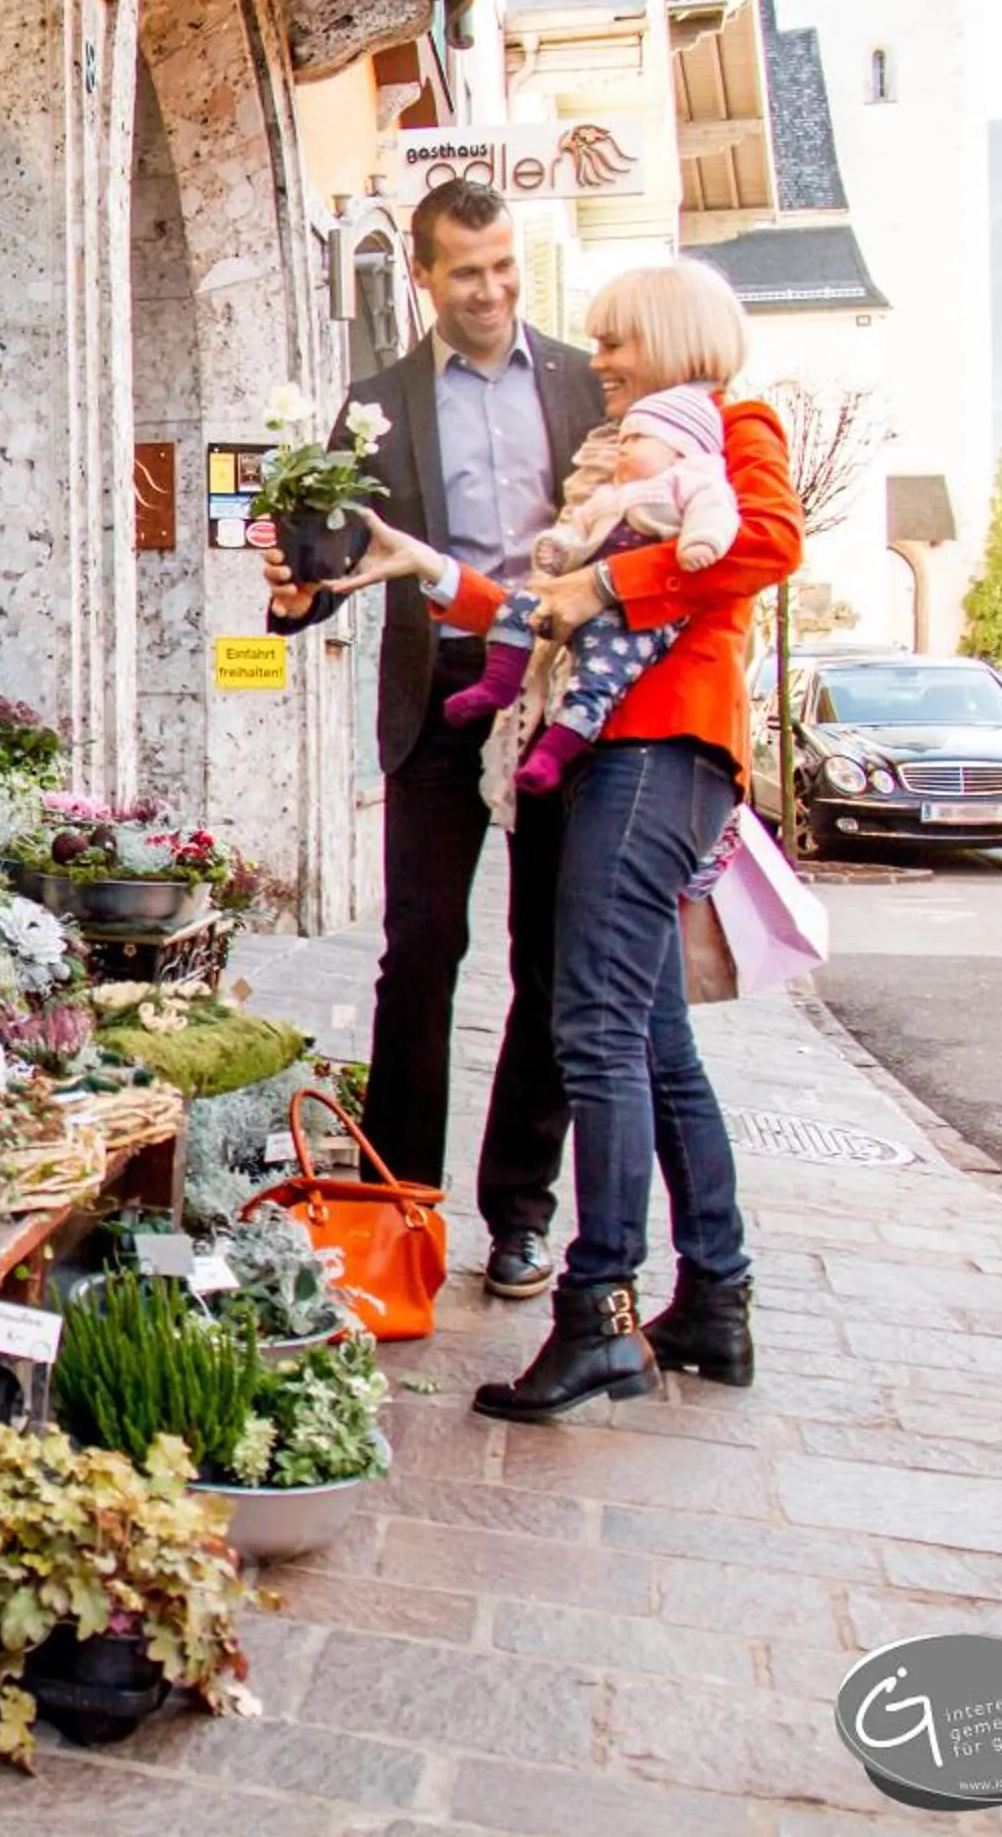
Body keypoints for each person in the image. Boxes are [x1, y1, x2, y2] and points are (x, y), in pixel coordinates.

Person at [313, 261, 802, 1420]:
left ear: (671, 335)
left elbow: (770, 541)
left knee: (591, 1026)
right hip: (622, 753)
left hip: (657, 750)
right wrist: (422, 566)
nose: (606, 360)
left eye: (620, 340)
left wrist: (612, 587)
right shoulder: (629, 464)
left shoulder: (734, 421)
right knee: (652, 1035)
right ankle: (716, 1297)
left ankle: (599, 1317)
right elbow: (540, 614)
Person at [266, 179, 608, 1300]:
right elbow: (332, 557)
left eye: (505, 265)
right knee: (420, 952)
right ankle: (402, 1203)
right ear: (423, 275)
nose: (494, 289)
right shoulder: (377, 401)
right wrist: (292, 592)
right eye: (468, 271)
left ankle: (519, 1210)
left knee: (549, 961)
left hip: (555, 689)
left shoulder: (579, 380)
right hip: (437, 696)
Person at [443, 384, 741, 794]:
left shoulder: (693, 482)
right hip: (574, 597)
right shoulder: (610, 494)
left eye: (638, 438)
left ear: (680, 448)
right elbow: (578, 529)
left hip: (633, 617)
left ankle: (551, 756)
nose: (623, 448)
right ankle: (498, 682)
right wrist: (558, 549)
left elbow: (716, 516)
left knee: (596, 683)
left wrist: (702, 541)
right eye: (622, 439)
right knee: (517, 607)